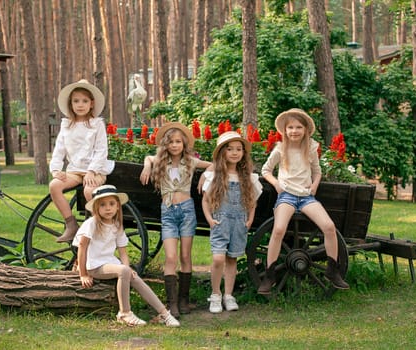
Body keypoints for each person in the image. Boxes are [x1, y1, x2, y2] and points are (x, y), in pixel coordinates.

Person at [257, 108, 350, 294]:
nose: (294, 131)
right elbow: (266, 170)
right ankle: (270, 274)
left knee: (329, 226)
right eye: (290, 127)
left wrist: (315, 185)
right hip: (287, 196)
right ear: (284, 130)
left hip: (306, 196)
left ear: (306, 130)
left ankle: (333, 270)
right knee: (279, 229)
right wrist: (276, 184)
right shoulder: (280, 149)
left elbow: (317, 171)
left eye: (299, 127)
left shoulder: (311, 148)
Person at [73, 185, 180, 327]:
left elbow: (123, 252)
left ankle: (164, 313)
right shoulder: (91, 224)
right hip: (94, 265)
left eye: (111, 204)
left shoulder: (117, 225)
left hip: (109, 263)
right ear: (96, 208)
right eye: (103, 205)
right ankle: (124, 313)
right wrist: (83, 274)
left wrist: (128, 268)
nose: (108, 208)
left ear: (117, 206)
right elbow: (82, 247)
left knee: (133, 276)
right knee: (124, 270)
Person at [139, 122, 211, 317]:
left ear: (184, 144)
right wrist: (147, 166)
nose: (175, 145)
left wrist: (205, 175)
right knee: (170, 257)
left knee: (185, 256)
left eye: (178, 142)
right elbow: (148, 157)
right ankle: (172, 304)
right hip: (168, 212)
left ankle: (184, 299)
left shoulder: (190, 161)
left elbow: (213, 165)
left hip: (187, 211)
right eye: (171, 142)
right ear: (166, 144)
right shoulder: (161, 161)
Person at [201, 131, 262, 313]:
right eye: (230, 149)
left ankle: (228, 295)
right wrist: (210, 220)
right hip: (220, 221)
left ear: (243, 153)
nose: (234, 153)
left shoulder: (248, 178)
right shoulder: (216, 176)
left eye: (238, 149)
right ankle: (215, 294)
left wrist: (249, 219)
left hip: (240, 223)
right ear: (222, 153)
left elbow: (252, 201)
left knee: (232, 258)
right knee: (218, 258)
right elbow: (205, 200)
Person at [50, 79, 114, 243]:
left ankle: (99, 226)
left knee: (89, 191)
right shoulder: (67, 125)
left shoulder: (96, 124)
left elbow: (101, 150)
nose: (80, 105)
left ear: (91, 104)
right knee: (55, 185)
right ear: (70, 104)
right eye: (76, 101)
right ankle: (71, 225)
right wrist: (56, 169)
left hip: (95, 170)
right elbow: (59, 148)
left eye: (84, 101)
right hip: (74, 171)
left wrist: (92, 171)